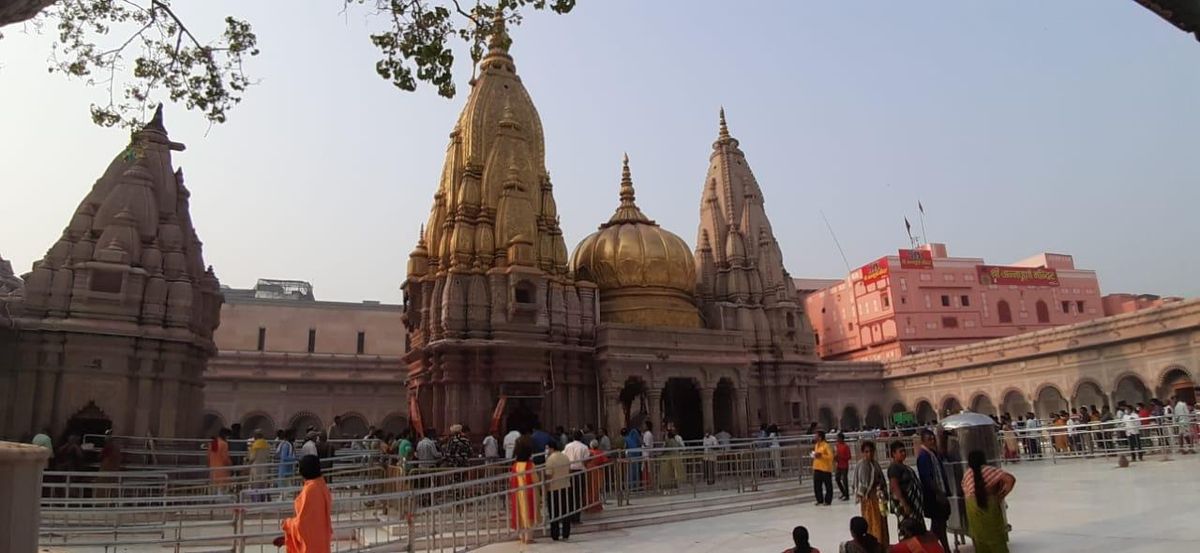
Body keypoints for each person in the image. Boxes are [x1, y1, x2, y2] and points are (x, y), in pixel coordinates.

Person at [274, 455, 332, 553]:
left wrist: (287, 524)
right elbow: (312, 523)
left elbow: (303, 524)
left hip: (311, 546)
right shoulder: (322, 486)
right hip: (321, 541)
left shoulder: (310, 490)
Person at [962, 450, 1016, 553]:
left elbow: (966, 491)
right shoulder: (990, 470)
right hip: (990, 504)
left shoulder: (967, 474)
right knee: (996, 538)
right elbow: (1010, 479)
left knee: (980, 539)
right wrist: (1001, 495)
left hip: (972, 507)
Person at [915, 429, 951, 553]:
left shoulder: (932, 454)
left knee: (939, 525)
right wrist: (939, 493)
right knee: (939, 525)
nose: (932, 441)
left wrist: (943, 439)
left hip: (938, 494)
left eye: (933, 438)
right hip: (933, 497)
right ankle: (943, 549)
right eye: (929, 439)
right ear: (923, 441)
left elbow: (943, 454)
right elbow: (927, 478)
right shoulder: (924, 456)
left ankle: (938, 548)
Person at [853, 441, 889, 548]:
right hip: (869, 500)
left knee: (881, 523)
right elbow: (862, 484)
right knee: (872, 523)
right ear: (862, 453)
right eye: (866, 452)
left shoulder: (875, 464)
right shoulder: (862, 465)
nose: (869, 454)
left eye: (871, 451)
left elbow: (881, 480)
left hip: (879, 498)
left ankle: (883, 544)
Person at [508, 437, 539, 544]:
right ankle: (528, 537)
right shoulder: (530, 465)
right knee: (529, 514)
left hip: (517, 492)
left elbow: (512, 479)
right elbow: (535, 479)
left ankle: (521, 536)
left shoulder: (515, 466)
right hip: (529, 492)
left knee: (520, 513)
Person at [887, 440, 924, 528]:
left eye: (904, 451)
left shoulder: (904, 467)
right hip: (905, 505)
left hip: (913, 504)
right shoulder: (894, 468)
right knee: (908, 528)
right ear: (893, 454)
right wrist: (904, 503)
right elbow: (894, 486)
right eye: (901, 451)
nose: (903, 453)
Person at [544, 440, 573, 541]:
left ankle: (555, 534)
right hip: (566, 486)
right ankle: (566, 533)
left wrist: (545, 488)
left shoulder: (550, 459)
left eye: (548, 448)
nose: (547, 450)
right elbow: (569, 470)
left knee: (554, 512)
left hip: (554, 488)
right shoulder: (565, 457)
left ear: (551, 448)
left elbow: (548, 475)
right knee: (565, 511)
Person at [584, 439, 610, 514]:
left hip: (588, 472)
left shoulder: (588, 451)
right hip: (597, 472)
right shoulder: (600, 452)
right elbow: (605, 461)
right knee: (596, 490)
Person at [811, 430, 834, 506]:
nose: (815, 437)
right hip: (817, 468)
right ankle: (819, 500)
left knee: (828, 486)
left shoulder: (826, 445)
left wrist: (821, 455)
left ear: (820, 437)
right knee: (817, 486)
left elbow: (831, 457)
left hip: (825, 469)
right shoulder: (817, 445)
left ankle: (827, 501)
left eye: (816, 436)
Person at [247, 429, 272, 494]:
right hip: (264, 465)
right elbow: (268, 455)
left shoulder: (255, 445)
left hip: (256, 466)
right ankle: (263, 497)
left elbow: (252, 457)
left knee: (256, 483)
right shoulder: (267, 444)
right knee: (263, 482)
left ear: (255, 436)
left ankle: (256, 498)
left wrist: (248, 464)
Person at [207, 429, 232, 493]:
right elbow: (225, 458)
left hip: (212, 469)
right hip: (222, 470)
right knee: (221, 490)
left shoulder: (212, 443)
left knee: (213, 489)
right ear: (225, 436)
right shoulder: (224, 444)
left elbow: (208, 457)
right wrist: (230, 464)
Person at [835, 433, 852, 501]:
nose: (837, 439)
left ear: (841, 439)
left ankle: (847, 495)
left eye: (838, 438)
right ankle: (843, 492)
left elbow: (849, 457)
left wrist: (841, 457)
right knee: (837, 479)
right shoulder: (837, 446)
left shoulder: (846, 446)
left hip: (844, 465)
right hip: (839, 465)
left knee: (845, 480)